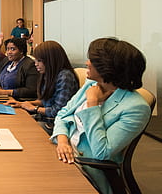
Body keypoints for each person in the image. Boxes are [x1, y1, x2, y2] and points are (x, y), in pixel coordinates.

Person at [51, 38, 151, 194]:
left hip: (85, 169)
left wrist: (92, 104)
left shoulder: (136, 108)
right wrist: (63, 141)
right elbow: (63, 115)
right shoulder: (91, 85)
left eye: (92, 60)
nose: (87, 63)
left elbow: (102, 152)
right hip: (63, 152)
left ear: (108, 68)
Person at [6, 41, 79, 134]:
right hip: (45, 119)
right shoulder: (48, 74)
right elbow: (46, 100)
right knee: (13, 123)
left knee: (20, 130)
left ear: (51, 60)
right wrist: (23, 104)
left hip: (56, 125)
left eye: (39, 61)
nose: (36, 64)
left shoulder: (65, 76)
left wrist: (34, 108)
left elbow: (58, 110)